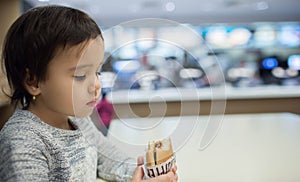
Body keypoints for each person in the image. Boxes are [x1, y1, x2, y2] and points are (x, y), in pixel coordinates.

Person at [0, 5, 178, 181]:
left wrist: (145, 174)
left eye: (97, 72)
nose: (96, 85)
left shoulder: (77, 120)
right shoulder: (21, 143)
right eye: (80, 75)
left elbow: (108, 159)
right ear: (33, 81)